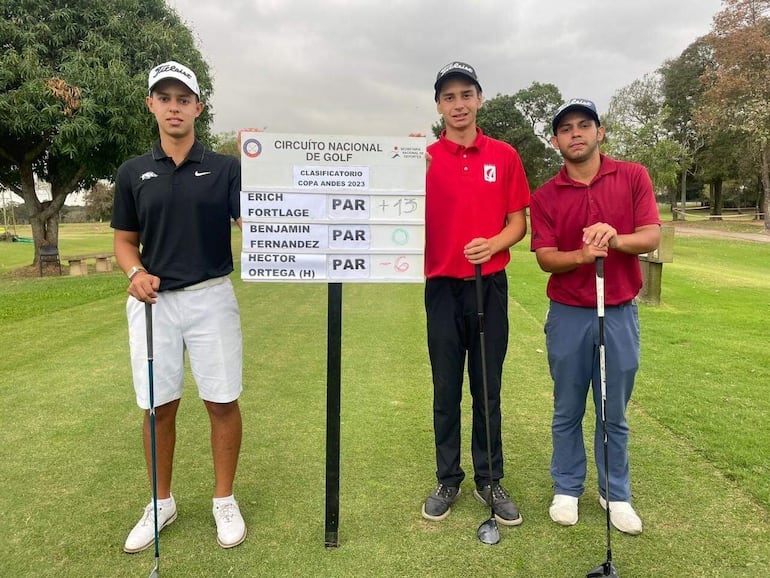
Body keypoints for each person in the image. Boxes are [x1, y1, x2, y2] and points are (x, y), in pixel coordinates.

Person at [112, 61, 247, 552]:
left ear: (198, 107)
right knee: (157, 406)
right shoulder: (132, 172)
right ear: (151, 105)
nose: (174, 107)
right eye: (164, 98)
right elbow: (125, 241)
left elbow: (252, 221)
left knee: (222, 400)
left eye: (183, 98)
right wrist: (134, 273)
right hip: (154, 303)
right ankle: (160, 502)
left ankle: (223, 499)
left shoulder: (225, 167)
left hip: (211, 297)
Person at [529, 98, 661, 535]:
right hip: (568, 313)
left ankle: (615, 493)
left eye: (584, 125)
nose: (576, 134)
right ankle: (567, 487)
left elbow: (650, 235)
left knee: (613, 411)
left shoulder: (632, 176)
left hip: (619, 311)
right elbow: (546, 258)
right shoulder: (546, 194)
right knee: (567, 408)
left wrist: (615, 238)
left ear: (600, 132)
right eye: (566, 129)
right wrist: (583, 255)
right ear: (555, 141)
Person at [421, 61, 530, 525]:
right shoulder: (422, 158)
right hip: (442, 288)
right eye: (449, 97)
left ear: (479, 99)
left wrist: (495, 244)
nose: (458, 104)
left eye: (466, 94)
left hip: (489, 288)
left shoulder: (504, 155)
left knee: (487, 389)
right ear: (439, 106)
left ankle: (490, 479)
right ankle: (449, 477)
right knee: (446, 389)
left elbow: (518, 222)